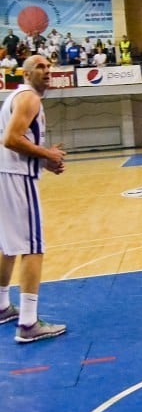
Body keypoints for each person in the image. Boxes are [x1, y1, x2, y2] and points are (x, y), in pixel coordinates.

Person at [0, 55, 68, 343]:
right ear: (26, 74)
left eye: (49, 66)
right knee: (33, 247)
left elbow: (17, 142)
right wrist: (48, 155)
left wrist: (44, 161)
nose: (47, 71)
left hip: (7, 173)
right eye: (40, 67)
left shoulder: (18, 97)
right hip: (17, 178)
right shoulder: (30, 99)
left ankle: (2, 306)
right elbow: (11, 139)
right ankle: (28, 323)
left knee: (9, 246)